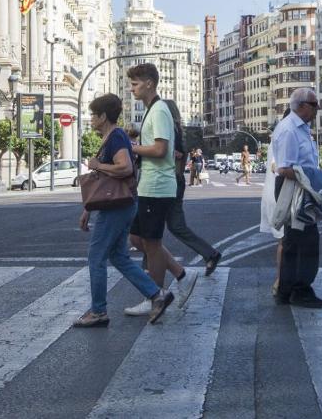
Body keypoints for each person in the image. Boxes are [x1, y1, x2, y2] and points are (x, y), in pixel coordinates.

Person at [74, 93, 172, 327]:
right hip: (120, 204)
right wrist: (88, 208)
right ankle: (157, 295)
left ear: (103, 116)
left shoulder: (116, 137)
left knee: (96, 257)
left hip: (117, 207)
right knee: (118, 256)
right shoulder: (112, 137)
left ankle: (98, 311)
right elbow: (104, 180)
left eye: (93, 115)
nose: (91, 119)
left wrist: (98, 165)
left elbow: (124, 168)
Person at [123, 64, 179, 318]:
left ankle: (155, 296)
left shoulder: (158, 111)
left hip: (158, 185)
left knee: (152, 244)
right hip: (150, 185)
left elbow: (159, 150)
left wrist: (131, 148)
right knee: (138, 239)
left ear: (148, 83)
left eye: (134, 84)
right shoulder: (152, 110)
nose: (131, 88)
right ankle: (179, 274)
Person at [272, 88, 322, 309]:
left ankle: (287, 290)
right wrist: (311, 179)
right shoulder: (290, 130)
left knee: (294, 242)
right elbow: (284, 168)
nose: (317, 110)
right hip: (295, 189)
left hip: (299, 188)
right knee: (306, 242)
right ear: (302, 105)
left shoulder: (301, 128)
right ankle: (300, 290)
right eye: (315, 105)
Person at [163, 100, 220, 281]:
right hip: (176, 181)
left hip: (166, 182)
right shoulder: (179, 131)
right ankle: (209, 254)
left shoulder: (169, 130)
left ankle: (148, 271)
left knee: (150, 231)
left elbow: (174, 154)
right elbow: (182, 153)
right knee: (176, 226)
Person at [259, 124, 286, 297]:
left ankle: (282, 279)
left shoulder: (276, 140)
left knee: (285, 241)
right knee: (284, 241)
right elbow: (276, 167)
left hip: (274, 195)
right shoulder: (282, 140)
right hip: (279, 197)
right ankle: (280, 280)